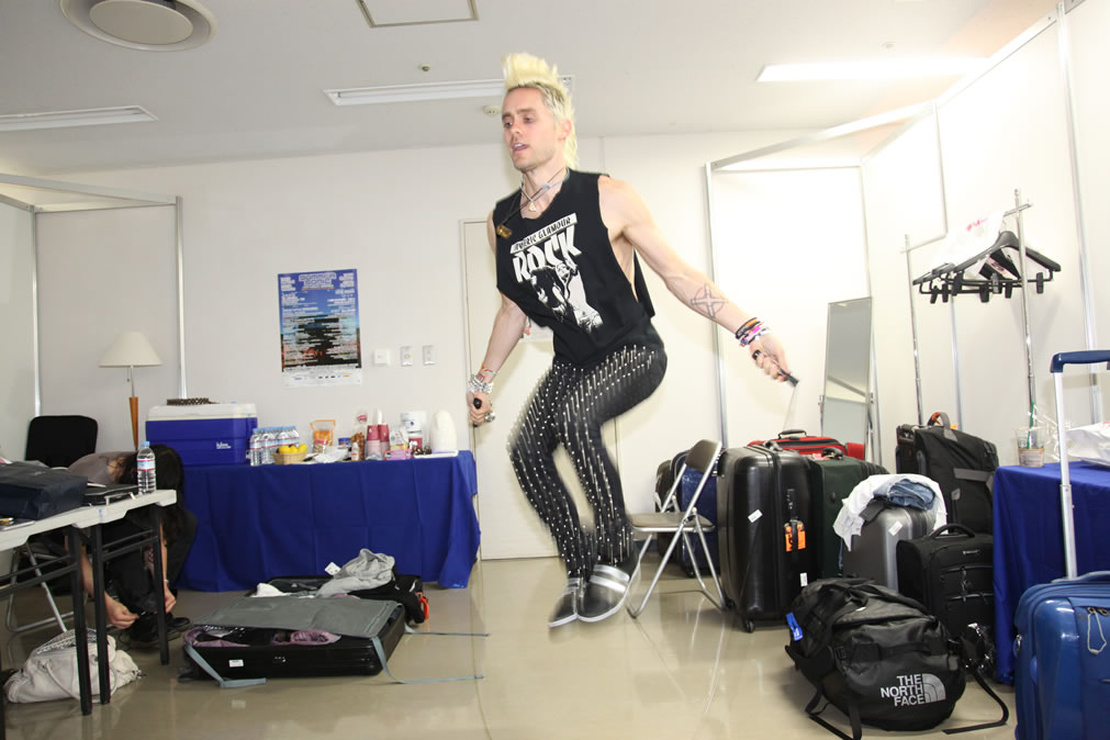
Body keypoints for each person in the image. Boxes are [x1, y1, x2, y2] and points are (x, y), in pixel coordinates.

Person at [467, 53, 793, 627]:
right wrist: (483, 380)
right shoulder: (503, 224)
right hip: (572, 364)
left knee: (574, 418)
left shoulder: (607, 194)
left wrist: (750, 328)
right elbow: (512, 310)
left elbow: (677, 274)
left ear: (562, 129)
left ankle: (617, 552)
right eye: (507, 122)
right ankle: (579, 567)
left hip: (633, 352)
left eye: (528, 118)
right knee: (524, 450)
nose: (514, 130)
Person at [68, 445, 197, 646]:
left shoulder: (144, 469)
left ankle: (156, 604)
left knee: (185, 522)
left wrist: (162, 584)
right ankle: (141, 614)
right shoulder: (90, 482)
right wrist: (105, 602)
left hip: (122, 513)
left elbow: (158, 536)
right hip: (82, 525)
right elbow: (76, 553)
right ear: (135, 474)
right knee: (127, 531)